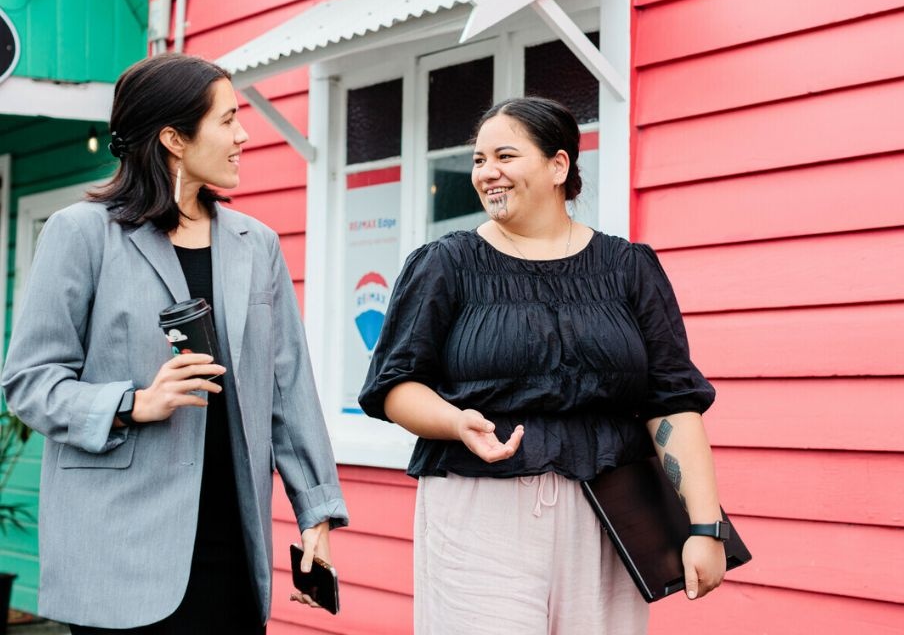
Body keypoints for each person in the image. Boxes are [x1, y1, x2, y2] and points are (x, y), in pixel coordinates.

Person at [2, 53, 348, 633]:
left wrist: (315, 513)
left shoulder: (254, 245)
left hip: (232, 548)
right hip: (119, 553)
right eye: (227, 119)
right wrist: (134, 403)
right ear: (174, 139)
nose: (243, 135)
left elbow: (287, 389)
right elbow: (29, 382)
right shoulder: (82, 234)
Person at [359, 96, 727, 634]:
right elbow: (394, 386)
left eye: (504, 156)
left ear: (558, 166)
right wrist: (455, 421)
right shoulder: (447, 264)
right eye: (480, 159)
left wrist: (705, 526)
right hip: (480, 508)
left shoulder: (629, 269)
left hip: (607, 512)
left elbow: (672, 400)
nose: (486, 173)